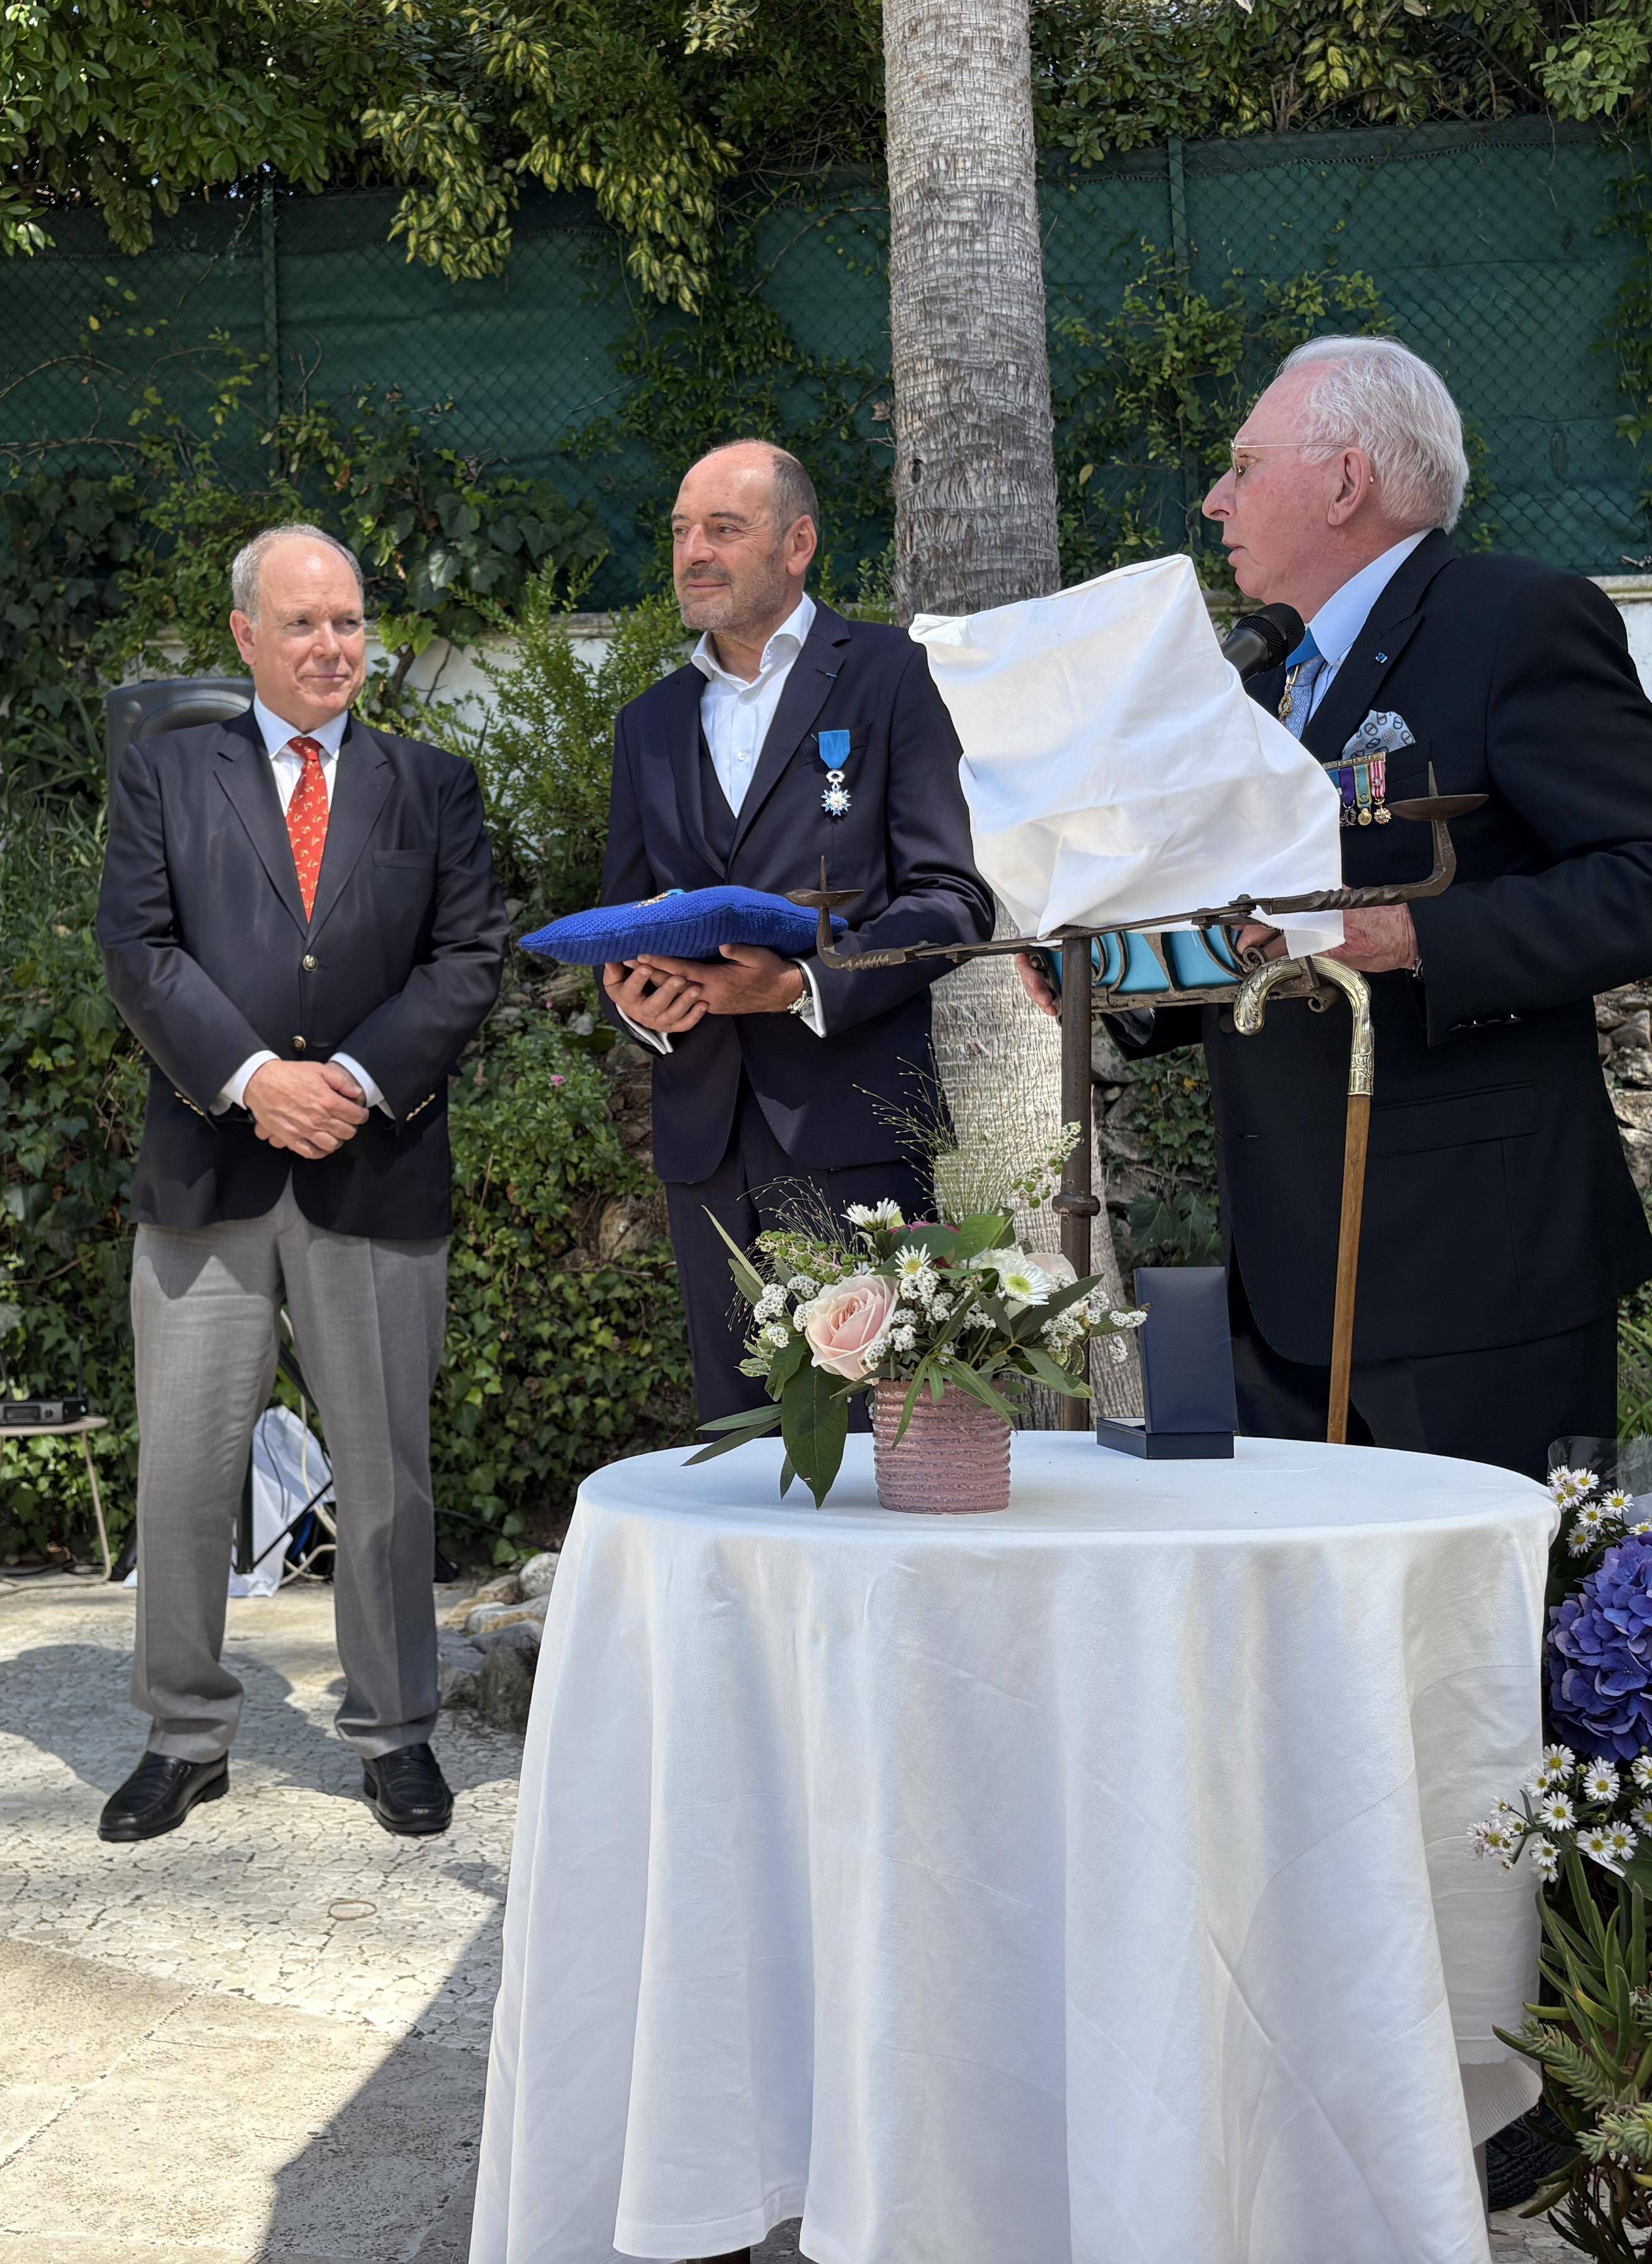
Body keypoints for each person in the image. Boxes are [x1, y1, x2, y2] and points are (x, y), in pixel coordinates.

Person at [1037, 338, 1652, 1473]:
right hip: (1284, 1270)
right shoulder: (1259, 674)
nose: (1216, 499)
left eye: (1244, 467)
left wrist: (1414, 935)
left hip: (1477, 1270)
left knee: (1480, 1635)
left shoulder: (1514, 620)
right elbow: (1256, 930)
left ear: (1346, 481)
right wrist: (1117, 975)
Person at [95, 523, 506, 1845]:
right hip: (209, 1169)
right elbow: (140, 948)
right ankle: (182, 1733)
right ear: (244, 639)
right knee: (186, 1470)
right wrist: (255, 1077)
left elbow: (465, 960)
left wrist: (356, 1084)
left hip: (373, 1166)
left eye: (349, 621)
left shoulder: (432, 785)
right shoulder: (165, 774)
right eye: (305, 623)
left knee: (385, 1473)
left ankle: (395, 1733)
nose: (333, 645)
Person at [598, 440, 994, 1423]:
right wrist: (638, 1003)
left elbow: (953, 899)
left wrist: (800, 985)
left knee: (875, 1446)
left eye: (722, 529)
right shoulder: (647, 723)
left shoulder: (892, 676)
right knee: (740, 1449)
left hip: (852, 1131)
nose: (693, 551)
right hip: (706, 1146)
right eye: (683, 531)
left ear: (799, 542)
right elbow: (626, 917)